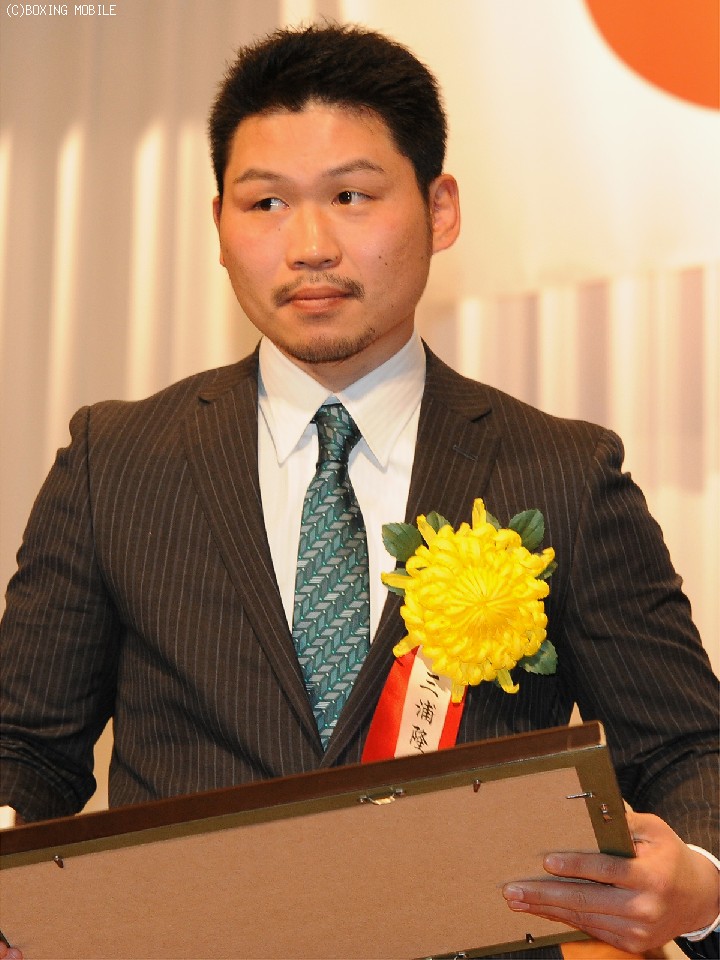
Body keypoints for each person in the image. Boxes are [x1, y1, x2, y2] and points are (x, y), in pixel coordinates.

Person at [0, 23, 717, 960]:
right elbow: (27, 746)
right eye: (265, 203)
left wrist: (701, 882)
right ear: (218, 224)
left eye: (351, 195)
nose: (309, 245)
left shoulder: (562, 473)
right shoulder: (117, 461)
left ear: (440, 209)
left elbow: (687, 750)